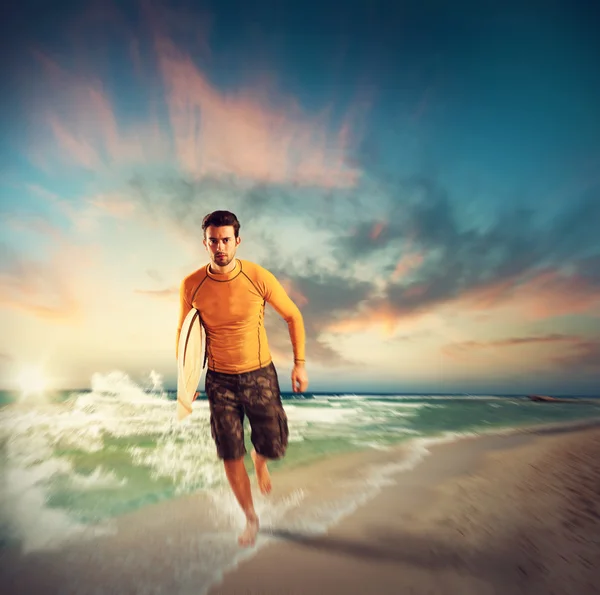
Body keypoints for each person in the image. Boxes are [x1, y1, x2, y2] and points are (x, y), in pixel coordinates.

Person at [176, 210, 309, 547]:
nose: (219, 247)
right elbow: (184, 333)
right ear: (204, 243)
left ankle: (260, 460)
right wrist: (186, 381)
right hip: (219, 381)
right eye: (213, 241)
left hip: (259, 374)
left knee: (274, 445)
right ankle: (250, 518)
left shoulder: (257, 276)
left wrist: (300, 364)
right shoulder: (192, 285)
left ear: (237, 240)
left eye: (225, 240)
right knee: (229, 451)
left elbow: (293, 316)